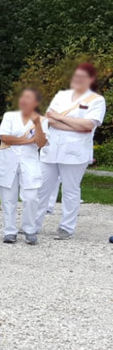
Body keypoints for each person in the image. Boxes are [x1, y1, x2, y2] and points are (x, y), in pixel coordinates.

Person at [35, 63, 106, 239]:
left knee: (70, 190)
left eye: (82, 77)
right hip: (51, 148)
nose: (77, 80)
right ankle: (32, 224)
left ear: (90, 80)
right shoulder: (61, 96)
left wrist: (60, 117)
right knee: (41, 188)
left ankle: (66, 227)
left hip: (75, 152)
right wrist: (71, 123)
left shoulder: (96, 100)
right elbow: (48, 120)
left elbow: (88, 125)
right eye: (75, 76)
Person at [0, 88, 48, 244]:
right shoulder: (10, 116)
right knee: (8, 199)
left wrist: (37, 125)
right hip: (8, 161)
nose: (24, 100)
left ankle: (29, 229)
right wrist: (28, 140)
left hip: (29, 164)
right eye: (22, 97)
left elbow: (41, 143)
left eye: (28, 97)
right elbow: (5, 138)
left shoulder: (42, 120)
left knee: (31, 198)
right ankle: (9, 231)